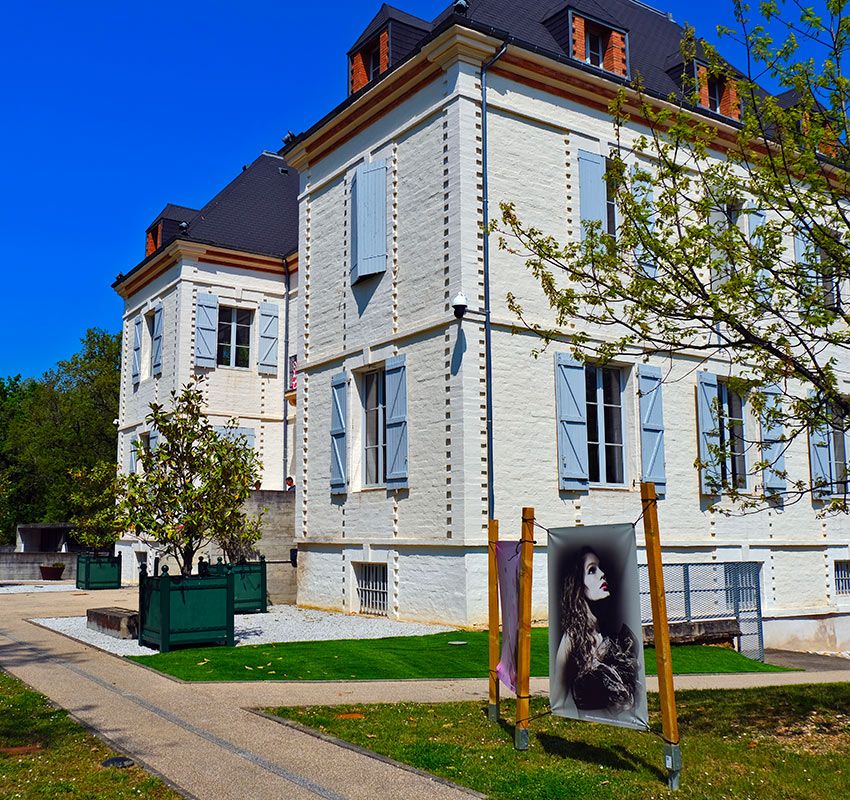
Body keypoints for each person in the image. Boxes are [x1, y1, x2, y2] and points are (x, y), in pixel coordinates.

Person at [554, 547, 638, 714]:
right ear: (578, 584)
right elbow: (558, 698)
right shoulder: (571, 639)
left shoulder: (616, 634)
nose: (602, 574)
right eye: (592, 570)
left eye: (600, 568)